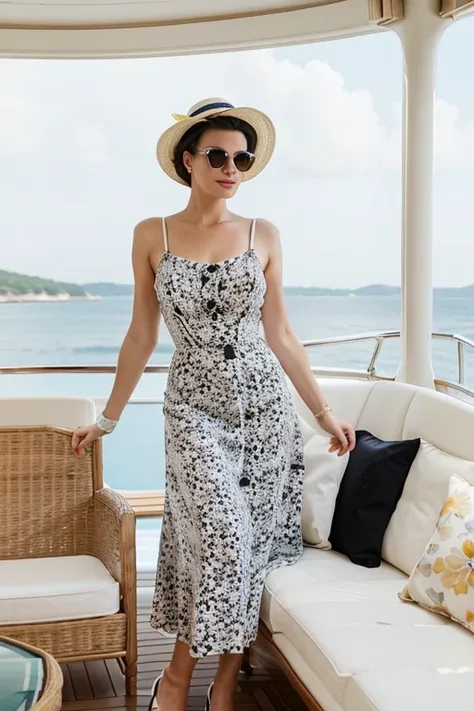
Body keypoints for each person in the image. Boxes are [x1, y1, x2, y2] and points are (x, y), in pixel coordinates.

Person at [71, 97, 356, 711]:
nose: (233, 167)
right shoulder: (154, 234)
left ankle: (222, 683)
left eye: (243, 158)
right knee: (223, 536)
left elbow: (281, 334)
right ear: (187, 160)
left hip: (263, 412)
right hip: (193, 411)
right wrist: (109, 419)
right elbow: (141, 335)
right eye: (220, 155)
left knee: (247, 546)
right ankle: (175, 678)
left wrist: (324, 414)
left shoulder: (264, 235)